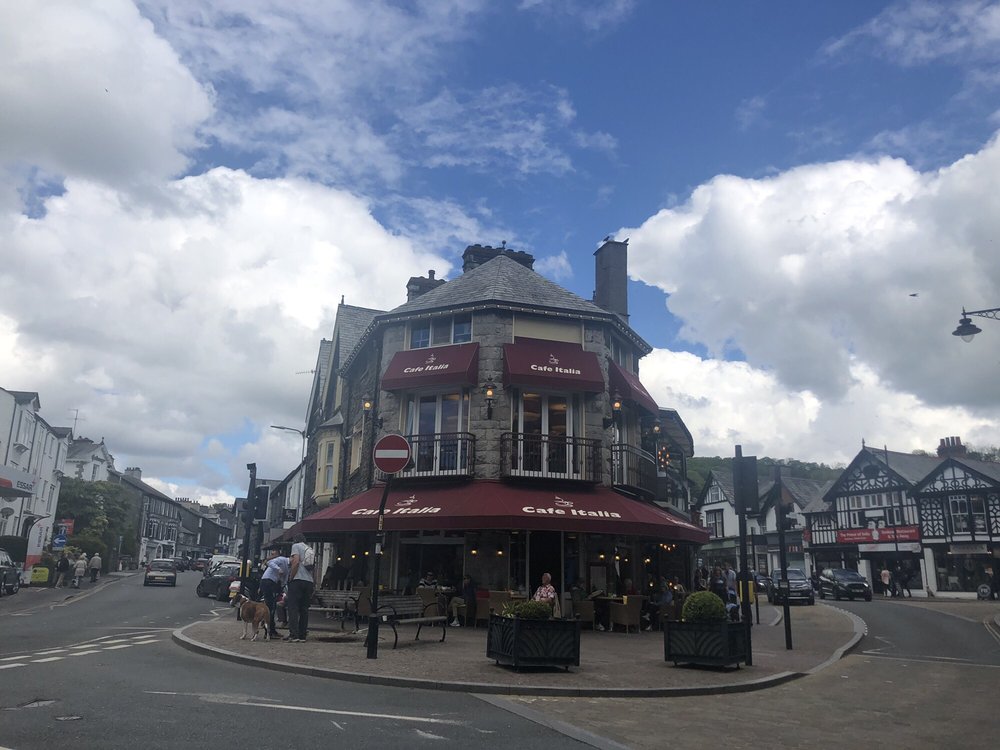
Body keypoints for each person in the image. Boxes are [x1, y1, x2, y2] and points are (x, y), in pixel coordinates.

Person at [284, 533, 314, 643]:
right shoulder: (309, 548)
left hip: (297, 580)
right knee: (304, 609)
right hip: (308, 581)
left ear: (295, 540)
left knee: (293, 608)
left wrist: (291, 577)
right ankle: (302, 635)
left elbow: (296, 562)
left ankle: (294, 634)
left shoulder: (296, 546)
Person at [260, 549, 289, 636]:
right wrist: (278, 569)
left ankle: (271, 630)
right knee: (270, 608)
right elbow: (269, 563)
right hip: (269, 582)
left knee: (271, 607)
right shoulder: (282, 559)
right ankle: (269, 631)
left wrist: (284, 587)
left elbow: (284, 579)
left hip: (272, 583)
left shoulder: (288, 568)